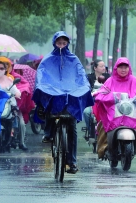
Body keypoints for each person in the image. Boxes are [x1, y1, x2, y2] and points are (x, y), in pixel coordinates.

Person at [32, 31, 94, 174]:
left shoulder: (74, 59)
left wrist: (83, 86)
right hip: (53, 94)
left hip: (70, 96)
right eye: (59, 43)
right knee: (47, 104)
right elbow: (41, 76)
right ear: (54, 43)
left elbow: (81, 75)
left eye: (64, 43)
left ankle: (72, 162)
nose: (61, 45)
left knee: (72, 128)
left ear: (67, 44)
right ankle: (48, 132)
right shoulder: (47, 60)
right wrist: (43, 87)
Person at [93, 57, 136, 162]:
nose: (123, 69)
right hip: (115, 111)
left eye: (125, 67)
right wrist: (112, 98)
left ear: (129, 68)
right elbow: (101, 93)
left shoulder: (133, 80)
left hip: (131, 111)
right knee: (105, 123)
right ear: (116, 68)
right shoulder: (110, 80)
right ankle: (103, 148)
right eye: (120, 67)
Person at [83, 59, 110, 141]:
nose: (103, 68)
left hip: (105, 102)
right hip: (92, 101)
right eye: (101, 66)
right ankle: (91, 132)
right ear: (95, 68)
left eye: (104, 66)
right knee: (86, 112)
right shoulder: (89, 77)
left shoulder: (108, 77)